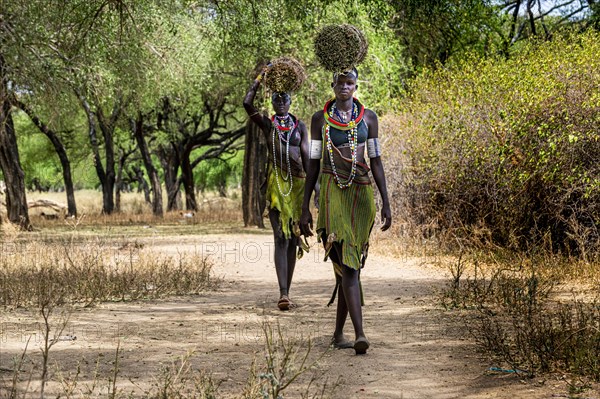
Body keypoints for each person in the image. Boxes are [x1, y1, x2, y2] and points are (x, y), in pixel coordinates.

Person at [300, 67, 392, 355]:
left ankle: (339, 332)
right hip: (331, 193)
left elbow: (375, 160)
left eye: (349, 83)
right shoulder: (320, 120)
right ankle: (360, 334)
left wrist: (385, 201)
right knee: (349, 265)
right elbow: (313, 163)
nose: (344, 87)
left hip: (361, 195)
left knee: (349, 268)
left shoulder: (369, 118)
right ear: (332, 85)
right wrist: (305, 206)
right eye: (340, 83)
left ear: (356, 85)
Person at [243, 65, 310, 311]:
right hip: (276, 186)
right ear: (271, 101)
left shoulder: (299, 126)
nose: (280, 101)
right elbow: (247, 104)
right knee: (280, 237)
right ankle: (282, 293)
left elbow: (307, 159)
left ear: (291, 101)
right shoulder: (267, 125)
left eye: (285, 98)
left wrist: (313, 193)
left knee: (293, 238)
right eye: (276, 98)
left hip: (298, 187)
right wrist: (261, 77)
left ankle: (287, 292)